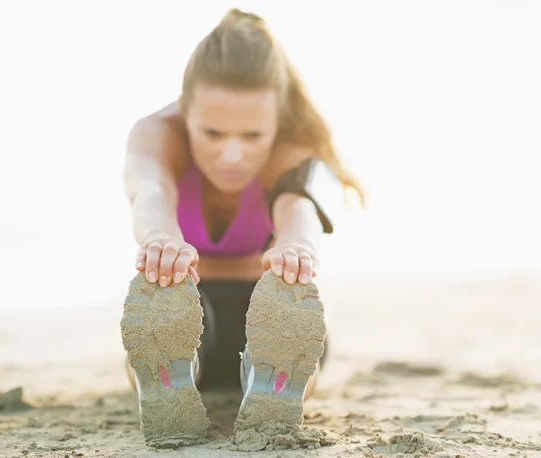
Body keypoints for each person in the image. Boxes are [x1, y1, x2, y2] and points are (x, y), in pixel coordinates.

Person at [120, 8, 364, 448]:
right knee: (164, 323)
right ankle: (173, 379)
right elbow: (150, 190)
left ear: (276, 122)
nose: (232, 155)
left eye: (252, 136)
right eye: (212, 133)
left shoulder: (293, 146)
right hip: (188, 305)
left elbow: (298, 206)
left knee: (296, 336)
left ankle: (270, 386)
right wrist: (160, 238)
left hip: (270, 313)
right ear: (184, 113)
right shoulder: (157, 134)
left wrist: (296, 248)